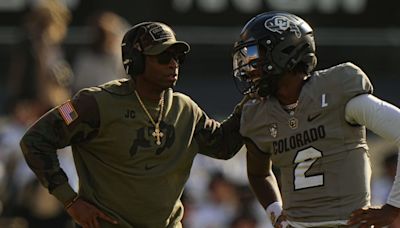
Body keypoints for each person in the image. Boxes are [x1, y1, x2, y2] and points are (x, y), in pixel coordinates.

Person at [20, 21, 245, 228]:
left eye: (177, 56)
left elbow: (223, 146)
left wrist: (251, 102)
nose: (173, 64)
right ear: (136, 61)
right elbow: (36, 139)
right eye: (164, 57)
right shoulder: (92, 103)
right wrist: (70, 201)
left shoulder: (186, 109)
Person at [231, 11, 400, 227]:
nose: (248, 66)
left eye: (254, 54)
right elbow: (258, 174)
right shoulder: (258, 114)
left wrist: (393, 207)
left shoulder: (337, 92)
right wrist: (276, 212)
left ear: (283, 52)